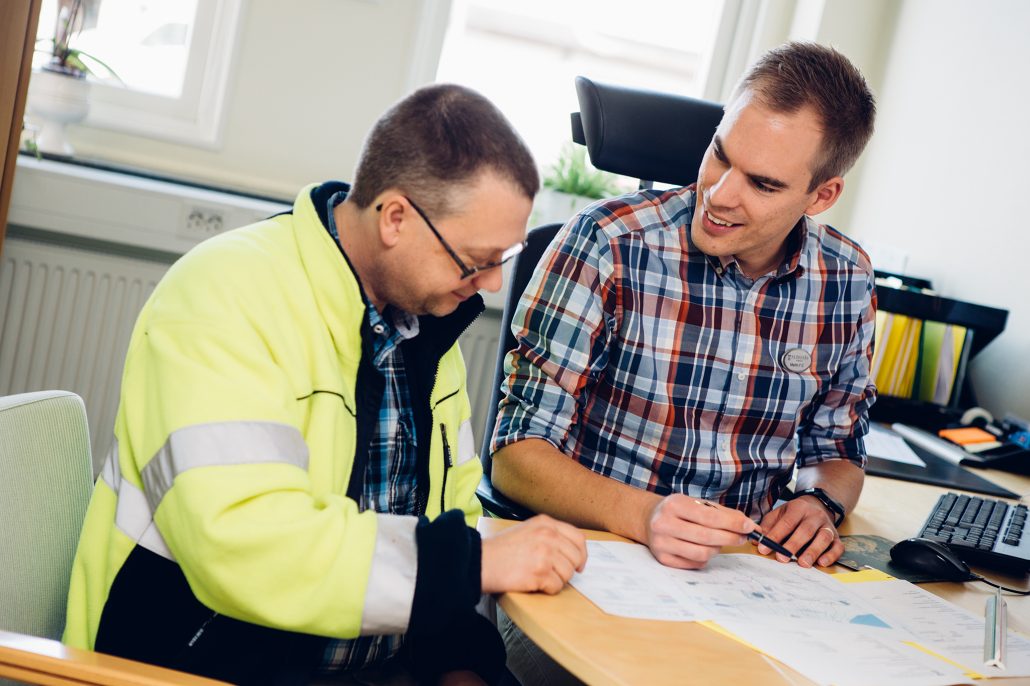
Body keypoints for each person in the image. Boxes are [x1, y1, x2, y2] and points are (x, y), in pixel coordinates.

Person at [63, 84, 587, 686]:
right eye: (476, 260)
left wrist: (460, 661)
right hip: (201, 665)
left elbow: (453, 517)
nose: (493, 284)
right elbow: (246, 545)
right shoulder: (222, 294)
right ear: (395, 217)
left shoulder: (430, 330)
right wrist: (469, 568)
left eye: (505, 258)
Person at [493, 41, 878, 573]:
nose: (719, 194)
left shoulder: (848, 278)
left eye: (763, 184)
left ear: (821, 196)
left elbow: (836, 449)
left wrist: (820, 502)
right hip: (595, 557)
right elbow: (515, 455)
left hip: (749, 576)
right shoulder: (609, 242)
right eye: (720, 154)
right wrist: (645, 515)